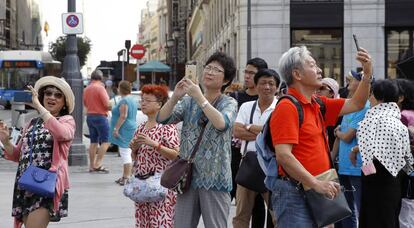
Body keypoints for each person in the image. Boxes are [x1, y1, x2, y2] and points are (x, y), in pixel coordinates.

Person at [270, 45, 373, 227]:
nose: (319, 70)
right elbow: (284, 156)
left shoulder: (318, 103)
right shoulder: (287, 107)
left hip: (321, 186)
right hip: (296, 192)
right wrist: (316, 183)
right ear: (297, 74)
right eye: (312, 65)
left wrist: (367, 74)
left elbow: (357, 103)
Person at [157, 52, 237, 227]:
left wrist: (200, 97)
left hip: (215, 178)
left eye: (216, 70)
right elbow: (162, 118)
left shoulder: (228, 102)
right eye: (208, 67)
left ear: (225, 80)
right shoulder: (188, 102)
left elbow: (222, 123)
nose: (209, 72)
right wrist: (176, 96)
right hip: (188, 176)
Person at [0, 76, 75, 228]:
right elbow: (17, 155)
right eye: (48, 93)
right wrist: (6, 141)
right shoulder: (32, 123)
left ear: (64, 102)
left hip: (47, 184)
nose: (52, 97)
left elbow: (61, 134)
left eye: (58, 95)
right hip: (26, 184)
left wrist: (40, 108)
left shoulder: (66, 120)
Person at [352, 79, 414, 228]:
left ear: (379, 97)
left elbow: (367, 159)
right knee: (390, 219)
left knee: (372, 219)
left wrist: (367, 175)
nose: (369, 98)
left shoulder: (369, 121)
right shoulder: (399, 123)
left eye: (371, 94)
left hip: (375, 180)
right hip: (395, 181)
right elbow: (407, 160)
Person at [232, 69, 280, 228]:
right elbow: (237, 131)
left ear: (277, 87)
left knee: (278, 214)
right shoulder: (247, 106)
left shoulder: (281, 106)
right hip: (248, 164)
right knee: (241, 215)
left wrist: (249, 126)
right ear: (256, 85)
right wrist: (266, 133)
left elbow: (277, 135)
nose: (267, 87)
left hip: (272, 166)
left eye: (271, 83)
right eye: (263, 83)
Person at [129, 84, 180, 227]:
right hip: (142, 185)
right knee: (143, 223)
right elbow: (136, 158)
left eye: (147, 100)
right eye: (142, 100)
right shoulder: (141, 127)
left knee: (161, 222)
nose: (143, 103)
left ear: (159, 104)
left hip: (161, 186)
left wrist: (154, 144)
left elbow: (176, 154)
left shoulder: (167, 126)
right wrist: (134, 148)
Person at [333, 70, 370, 228]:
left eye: (353, 78)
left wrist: (338, 133)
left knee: (360, 206)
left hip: (357, 166)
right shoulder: (350, 103)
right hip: (344, 165)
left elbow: (347, 135)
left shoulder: (364, 106)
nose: (348, 80)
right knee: (346, 207)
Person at [109, 80, 138, 186]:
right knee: (128, 151)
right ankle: (126, 175)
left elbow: (123, 115)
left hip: (125, 128)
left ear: (120, 89)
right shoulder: (132, 99)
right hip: (131, 126)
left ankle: (127, 177)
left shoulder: (124, 101)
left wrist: (116, 128)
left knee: (125, 152)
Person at [84, 70, 111, 173]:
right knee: (106, 141)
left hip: (90, 116)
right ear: (101, 78)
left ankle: (91, 166)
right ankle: (98, 164)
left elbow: (85, 103)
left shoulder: (87, 89)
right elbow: (107, 105)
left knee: (93, 142)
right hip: (100, 116)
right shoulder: (100, 88)